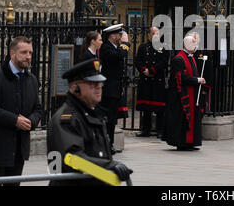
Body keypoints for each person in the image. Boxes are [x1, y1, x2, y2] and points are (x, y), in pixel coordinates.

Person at [47, 58, 132, 186]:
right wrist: (109, 167)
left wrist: (109, 176)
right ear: (75, 88)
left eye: (100, 83)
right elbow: (72, 160)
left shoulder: (93, 113)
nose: (98, 87)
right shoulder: (67, 118)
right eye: (92, 84)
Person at [0, 36, 42, 185]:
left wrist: (31, 121)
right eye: (24, 52)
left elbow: (38, 109)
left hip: (19, 150)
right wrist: (15, 120)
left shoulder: (32, 80)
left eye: (30, 53)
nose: (28, 57)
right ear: (12, 53)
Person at [163, 35, 208, 151]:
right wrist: (197, 80)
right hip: (182, 96)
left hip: (192, 92)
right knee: (182, 120)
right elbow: (181, 78)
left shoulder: (191, 58)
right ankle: (182, 143)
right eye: (193, 44)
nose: (196, 46)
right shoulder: (179, 59)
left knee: (193, 119)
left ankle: (191, 142)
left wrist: (199, 80)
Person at [99, 23, 130, 155]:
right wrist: (126, 44)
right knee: (109, 119)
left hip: (115, 89)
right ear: (112, 36)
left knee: (112, 119)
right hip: (109, 90)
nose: (120, 36)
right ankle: (107, 144)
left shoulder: (114, 47)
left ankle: (109, 143)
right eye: (118, 34)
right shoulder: (106, 48)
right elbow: (119, 55)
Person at [135, 27, 169, 138]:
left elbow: (164, 62)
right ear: (149, 35)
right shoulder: (143, 47)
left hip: (157, 80)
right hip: (145, 80)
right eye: (153, 33)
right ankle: (146, 130)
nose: (155, 36)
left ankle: (160, 130)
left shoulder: (163, 47)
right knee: (146, 109)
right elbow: (138, 61)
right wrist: (144, 70)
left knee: (159, 109)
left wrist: (152, 70)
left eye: (157, 34)